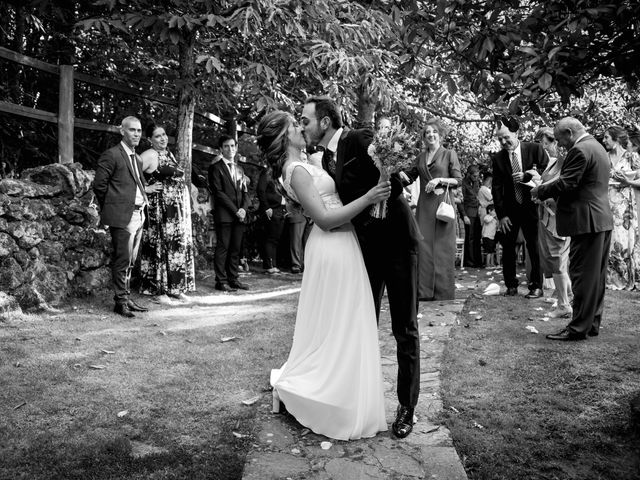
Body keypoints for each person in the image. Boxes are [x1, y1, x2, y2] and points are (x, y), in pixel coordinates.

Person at [260, 110, 391, 440]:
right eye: (295, 125)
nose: (301, 128)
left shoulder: (308, 162)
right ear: (282, 137)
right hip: (332, 245)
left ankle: (344, 392)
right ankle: (325, 391)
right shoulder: (296, 172)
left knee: (345, 319)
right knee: (340, 319)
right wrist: (370, 198)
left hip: (344, 243)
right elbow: (324, 219)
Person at [301, 96, 421, 438]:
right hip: (364, 248)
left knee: (405, 327)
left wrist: (383, 184)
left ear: (325, 122)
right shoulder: (324, 158)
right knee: (360, 325)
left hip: (398, 243)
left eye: (307, 119)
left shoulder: (359, 138)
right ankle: (355, 401)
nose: (304, 125)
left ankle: (406, 407)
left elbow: (394, 183)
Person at [532, 117, 613, 341]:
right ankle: (591, 324)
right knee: (595, 276)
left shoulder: (580, 149)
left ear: (569, 133)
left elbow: (567, 182)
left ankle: (577, 328)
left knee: (581, 275)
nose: (560, 144)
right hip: (600, 219)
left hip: (586, 221)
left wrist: (541, 190)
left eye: (560, 139)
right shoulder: (597, 147)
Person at [93, 116, 161, 317]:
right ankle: (120, 301)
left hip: (139, 213)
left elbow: (138, 186)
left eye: (139, 131)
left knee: (131, 260)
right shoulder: (112, 155)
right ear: (122, 131)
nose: (137, 134)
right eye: (132, 130)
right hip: (123, 216)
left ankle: (126, 297)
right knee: (123, 259)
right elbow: (99, 185)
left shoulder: (137, 158)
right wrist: (116, 207)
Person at [403, 118, 462, 299]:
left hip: (443, 206)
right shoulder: (420, 157)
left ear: (440, 135)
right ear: (424, 137)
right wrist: (392, 167)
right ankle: (424, 291)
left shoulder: (449, 154)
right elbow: (408, 177)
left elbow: (458, 180)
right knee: (424, 246)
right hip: (425, 207)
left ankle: (443, 292)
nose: (431, 135)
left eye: (434, 132)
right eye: (427, 132)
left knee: (443, 247)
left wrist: (440, 180)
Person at [137, 123, 196, 299]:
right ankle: (159, 291)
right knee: (161, 246)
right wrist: (146, 188)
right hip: (161, 211)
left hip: (176, 212)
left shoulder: (168, 154)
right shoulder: (149, 155)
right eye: (157, 136)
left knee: (176, 246)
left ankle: (175, 288)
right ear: (149, 140)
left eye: (163, 134)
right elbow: (131, 175)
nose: (162, 138)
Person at [491, 119, 547, 297]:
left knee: (533, 246)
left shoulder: (534, 149)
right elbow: (497, 188)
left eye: (506, 137)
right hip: (510, 210)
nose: (503, 142)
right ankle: (511, 285)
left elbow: (548, 173)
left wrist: (530, 176)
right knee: (508, 247)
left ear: (516, 133)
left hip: (532, 206)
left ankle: (536, 286)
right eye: (499, 139)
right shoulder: (498, 158)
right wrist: (502, 215)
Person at [530, 127, 572, 317]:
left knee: (558, 259)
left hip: (558, 217)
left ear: (556, 142)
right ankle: (567, 295)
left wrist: (544, 196)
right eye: (542, 145)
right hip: (545, 216)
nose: (544, 148)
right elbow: (546, 185)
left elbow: (566, 188)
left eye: (547, 144)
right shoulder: (552, 162)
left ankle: (564, 305)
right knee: (552, 259)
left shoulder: (567, 162)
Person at [208, 135, 251, 292]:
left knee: (235, 249)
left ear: (236, 148)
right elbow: (218, 193)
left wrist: (243, 210)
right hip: (225, 215)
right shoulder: (215, 168)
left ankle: (233, 279)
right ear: (221, 149)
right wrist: (235, 211)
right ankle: (221, 281)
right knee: (223, 247)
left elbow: (246, 193)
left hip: (240, 215)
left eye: (233, 146)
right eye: (226, 146)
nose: (230, 149)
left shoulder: (240, 169)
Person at [603, 125, 640, 290]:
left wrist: (628, 182)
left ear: (616, 139)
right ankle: (611, 279)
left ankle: (627, 278)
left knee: (625, 241)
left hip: (625, 208)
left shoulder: (632, 157)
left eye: (606, 137)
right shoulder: (603, 157)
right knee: (610, 241)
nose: (604, 141)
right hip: (607, 204)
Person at [257, 165, 286, 274]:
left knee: (275, 239)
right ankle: (269, 265)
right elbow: (260, 190)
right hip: (271, 209)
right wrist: (267, 208)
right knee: (270, 238)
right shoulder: (267, 172)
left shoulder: (279, 175)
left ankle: (273, 264)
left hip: (280, 209)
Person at [461, 165, 482, 268]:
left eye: (477, 176)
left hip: (477, 212)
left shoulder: (476, 182)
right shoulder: (463, 183)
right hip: (468, 212)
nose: (476, 178)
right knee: (470, 237)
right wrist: (464, 215)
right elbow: (460, 201)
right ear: (469, 174)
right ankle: (469, 262)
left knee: (477, 237)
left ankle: (478, 261)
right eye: (474, 176)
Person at [481, 204, 498, 268]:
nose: (495, 212)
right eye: (494, 211)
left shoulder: (494, 219)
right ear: (489, 211)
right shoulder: (487, 217)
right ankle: (487, 265)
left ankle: (492, 264)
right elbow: (487, 221)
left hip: (492, 237)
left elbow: (497, 227)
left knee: (492, 251)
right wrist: (493, 216)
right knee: (489, 251)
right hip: (486, 236)